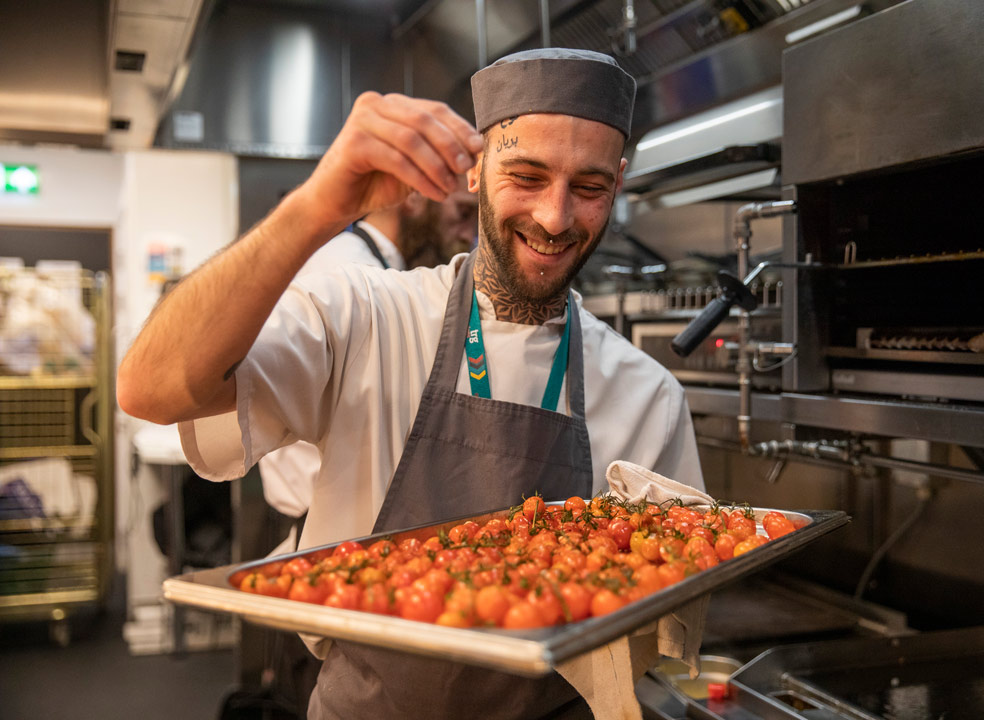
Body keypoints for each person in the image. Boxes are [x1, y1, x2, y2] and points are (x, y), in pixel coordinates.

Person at [118, 47, 703, 719]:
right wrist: (316, 205)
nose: (554, 216)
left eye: (590, 188)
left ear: (620, 184)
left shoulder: (648, 396)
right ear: (476, 171)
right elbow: (150, 389)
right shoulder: (365, 319)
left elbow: (659, 628)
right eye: (527, 175)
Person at [258, 182, 478, 543]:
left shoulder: (381, 268)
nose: (469, 235)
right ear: (414, 195)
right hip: (323, 527)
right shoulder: (348, 275)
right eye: (463, 213)